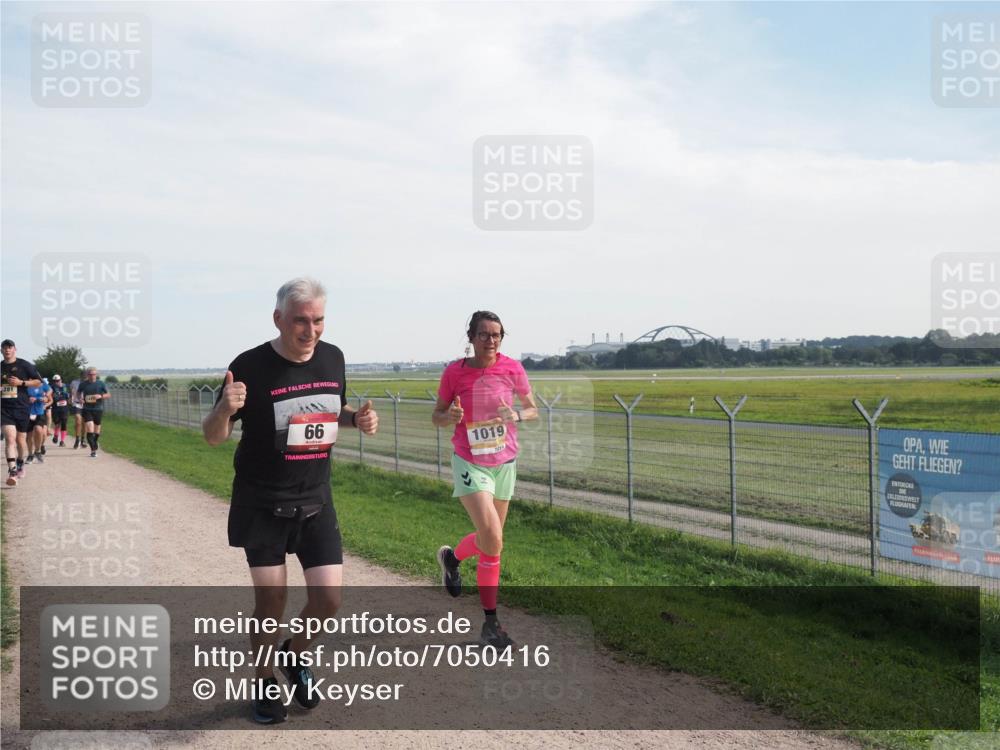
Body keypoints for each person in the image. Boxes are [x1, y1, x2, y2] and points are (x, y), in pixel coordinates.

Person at [202, 277, 378, 725]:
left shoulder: (333, 357)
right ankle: (264, 679)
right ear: (278, 318)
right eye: (301, 320)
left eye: (318, 320)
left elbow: (330, 411)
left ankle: (294, 654)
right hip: (262, 502)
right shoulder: (249, 366)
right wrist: (223, 409)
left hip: (316, 498)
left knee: (329, 600)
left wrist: (356, 419)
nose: (310, 330)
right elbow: (214, 437)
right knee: (271, 604)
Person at [432, 311, 538, 649]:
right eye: (484, 334)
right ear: (471, 338)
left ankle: (453, 559)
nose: (491, 340)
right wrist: (449, 416)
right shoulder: (455, 372)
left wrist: (517, 414)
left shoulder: (512, 368)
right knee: (492, 536)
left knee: (491, 541)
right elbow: (436, 416)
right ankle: (491, 625)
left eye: (496, 335)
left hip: (505, 462)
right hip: (470, 460)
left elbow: (532, 408)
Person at [1, 339, 42, 486]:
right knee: (10, 439)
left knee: (20, 440)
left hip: (22, 408)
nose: (7, 350)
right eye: (4, 348)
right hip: (4, 409)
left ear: (15, 349)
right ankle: (12, 472)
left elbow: (38, 382)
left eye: (10, 347)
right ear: (1, 350)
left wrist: (21, 383)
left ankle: (20, 462)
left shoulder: (24, 365)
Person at [77, 367, 110, 458]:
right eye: (90, 374)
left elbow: (108, 394)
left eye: (94, 374)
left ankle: (95, 441)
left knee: (97, 430)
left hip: (98, 409)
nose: (92, 376)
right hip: (87, 409)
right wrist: (80, 399)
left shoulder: (101, 383)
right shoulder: (83, 384)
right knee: (90, 428)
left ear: (96, 375)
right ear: (87, 375)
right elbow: (78, 393)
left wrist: (100, 396)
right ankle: (93, 450)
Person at [26, 379, 51, 463]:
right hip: (27, 412)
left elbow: (50, 391)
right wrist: (28, 399)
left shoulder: (41, 383)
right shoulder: (25, 383)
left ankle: (37, 451)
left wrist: (45, 398)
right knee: (29, 435)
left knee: (38, 430)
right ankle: (30, 455)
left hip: (39, 412)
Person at [50, 374, 70, 447]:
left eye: (57, 381)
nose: (56, 382)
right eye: (54, 381)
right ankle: (56, 435)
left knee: (64, 424)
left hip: (64, 408)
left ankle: (62, 441)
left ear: (61, 380)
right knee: (57, 423)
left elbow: (69, 396)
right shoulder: (51, 387)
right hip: (56, 408)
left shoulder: (65, 387)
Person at [69, 371, 85, 448]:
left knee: (84, 423)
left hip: (86, 404)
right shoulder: (74, 382)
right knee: (78, 421)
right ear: (81, 375)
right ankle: (77, 439)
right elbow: (71, 391)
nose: (85, 377)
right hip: (76, 403)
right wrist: (70, 398)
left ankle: (82, 440)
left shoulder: (89, 383)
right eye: (84, 376)